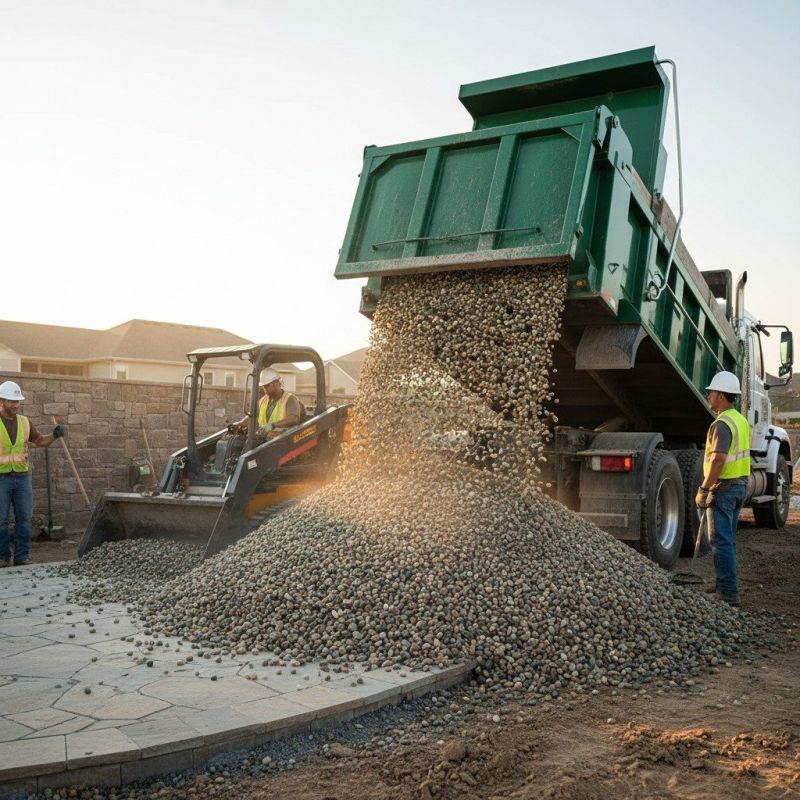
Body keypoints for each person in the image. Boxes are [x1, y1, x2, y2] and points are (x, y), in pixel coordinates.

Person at [695, 371, 750, 606]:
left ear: (720, 395)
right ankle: (722, 584)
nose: (708, 396)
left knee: (720, 541)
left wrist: (705, 488)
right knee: (726, 539)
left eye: (711, 393)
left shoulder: (721, 424)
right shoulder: (740, 420)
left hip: (724, 488)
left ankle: (728, 592)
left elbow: (718, 460)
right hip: (739, 486)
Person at [0, 380, 65, 567]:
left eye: (17, 401)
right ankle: (2, 557)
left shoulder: (24, 422)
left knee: (24, 519)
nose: (15, 405)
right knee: (1, 520)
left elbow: (39, 441)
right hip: (1, 479)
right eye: (11, 401)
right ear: (2, 401)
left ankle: (22, 557)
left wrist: (54, 435)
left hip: (21, 479)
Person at [256, 368, 302, 438]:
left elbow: (293, 419)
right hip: (265, 440)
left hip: (283, 441)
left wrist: (272, 425)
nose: (265, 389)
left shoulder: (289, 399)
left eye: (267, 385)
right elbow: (252, 415)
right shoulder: (263, 400)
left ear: (276, 383)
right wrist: (239, 424)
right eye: (263, 386)